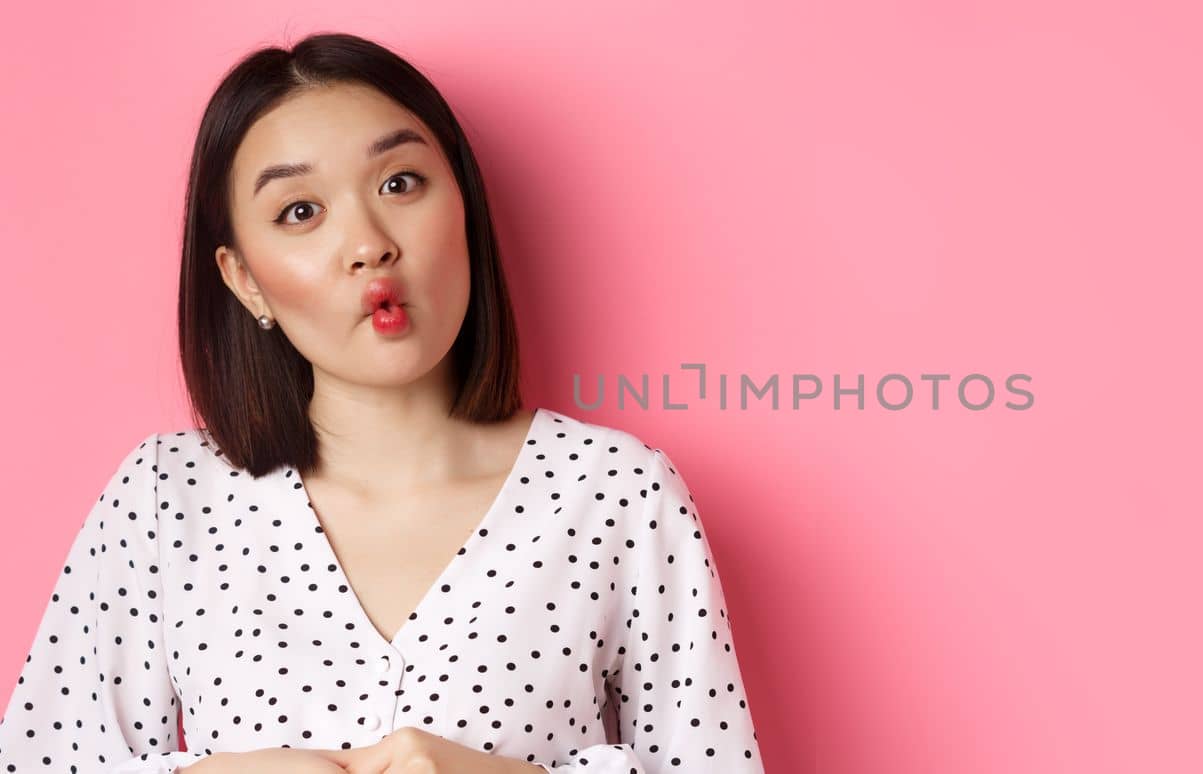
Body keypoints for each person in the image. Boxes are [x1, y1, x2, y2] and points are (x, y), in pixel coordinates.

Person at [0, 32, 765, 774]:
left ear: (463, 205)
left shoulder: (615, 493)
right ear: (244, 280)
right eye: (300, 211)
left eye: (399, 183)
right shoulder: (166, 499)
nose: (369, 243)